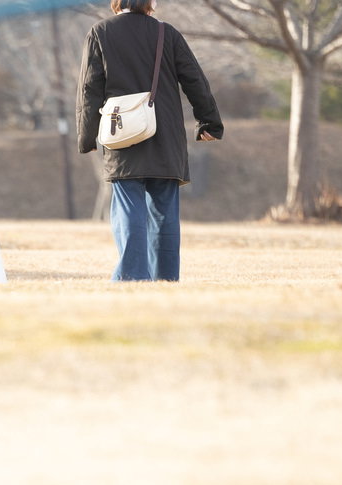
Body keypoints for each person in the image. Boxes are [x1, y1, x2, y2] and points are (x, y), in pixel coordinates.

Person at [77, 0, 222, 282]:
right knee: (165, 210)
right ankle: (166, 279)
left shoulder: (100, 31)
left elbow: (89, 87)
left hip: (121, 132)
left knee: (128, 204)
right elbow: (194, 79)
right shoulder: (167, 33)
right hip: (165, 132)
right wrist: (209, 122)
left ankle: (132, 277)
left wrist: (87, 134)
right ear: (149, 3)